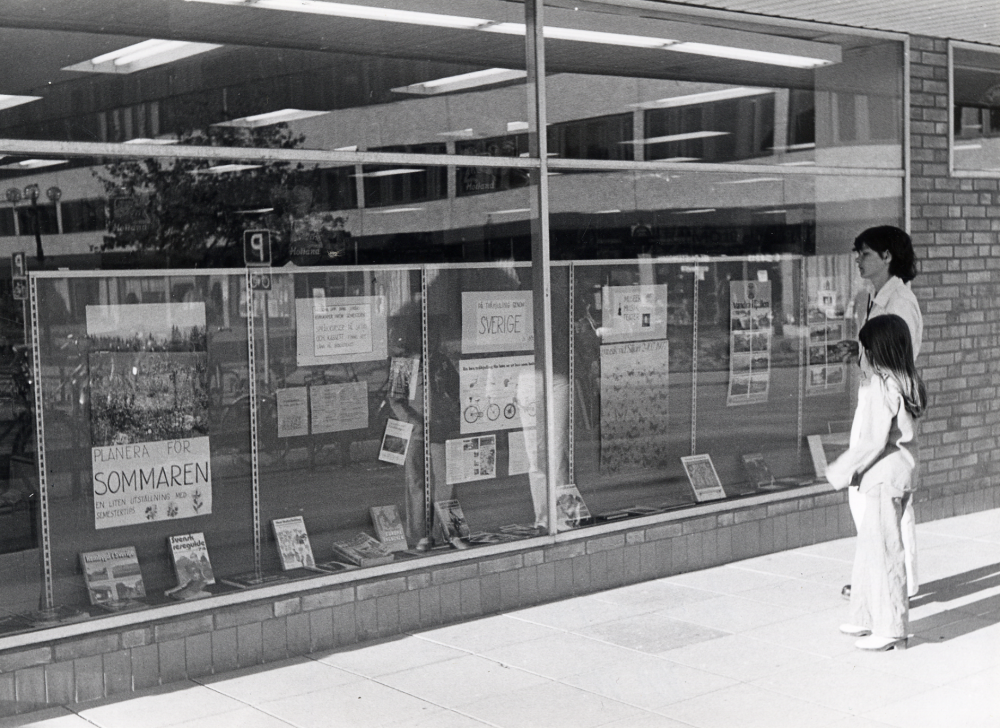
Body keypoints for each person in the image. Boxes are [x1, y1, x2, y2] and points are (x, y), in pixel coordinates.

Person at [825, 314, 927, 651]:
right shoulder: (906, 379)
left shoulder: (882, 385)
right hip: (898, 474)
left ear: (875, 351)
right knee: (870, 548)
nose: (860, 357)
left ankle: (891, 626)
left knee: (883, 553)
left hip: (883, 478)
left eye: (863, 349)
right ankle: (865, 615)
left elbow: (870, 441)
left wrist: (841, 470)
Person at [844, 225, 923, 602]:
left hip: (885, 406)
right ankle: (880, 572)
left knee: (885, 495)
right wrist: (859, 351)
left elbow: (899, 359)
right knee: (868, 494)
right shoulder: (878, 296)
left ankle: (898, 580)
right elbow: (883, 349)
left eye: (866, 254)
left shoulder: (900, 302)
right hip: (872, 398)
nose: (859, 260)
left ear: (887, 256)